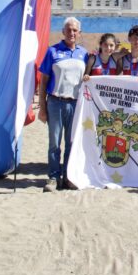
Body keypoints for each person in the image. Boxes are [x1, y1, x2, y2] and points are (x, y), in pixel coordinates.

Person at [38, 17, 89, 192]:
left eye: (75, 30)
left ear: (79, 33)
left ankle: (68, 176)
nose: (72, 33)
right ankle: (53, 178)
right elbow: (43, 82)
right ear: (63, 32)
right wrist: (42, 108)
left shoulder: (84, 54)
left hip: (75, 104)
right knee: (54, 143)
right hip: (55, 102)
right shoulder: (52, 52)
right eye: (68, 29)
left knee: (71, 143)